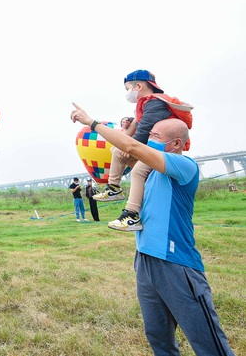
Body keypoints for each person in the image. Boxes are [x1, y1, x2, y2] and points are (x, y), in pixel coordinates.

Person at [71, 104, 234, 355]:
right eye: (149, 135)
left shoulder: (184, 166)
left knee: (207, 342)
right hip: (144, 260)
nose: (149, 139)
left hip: (176, 264)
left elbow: (133, 147)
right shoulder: (145, 170)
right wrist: (127, 130)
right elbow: (127, 148)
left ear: (176, 143)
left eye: (156, 136)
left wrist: (91, 123)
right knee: (158, 337)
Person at [96, 70, 193, 233]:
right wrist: (131, 121)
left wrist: (132, 145)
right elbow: (144, 123)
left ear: (139, 86)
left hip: (164, 149)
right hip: (154, 147)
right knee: (119, 153)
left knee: (138, 171)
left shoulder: (154, 103)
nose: (128, 93)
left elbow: (145, 129)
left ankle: (131, 214)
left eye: (128, 88)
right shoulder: (149, 104)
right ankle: (114, 187)